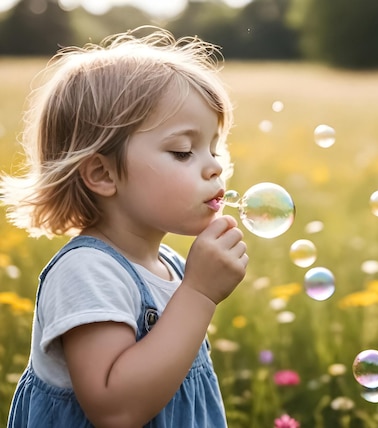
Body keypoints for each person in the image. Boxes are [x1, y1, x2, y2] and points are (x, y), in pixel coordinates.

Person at [0, 26, 248, 427]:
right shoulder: (87, 272)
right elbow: (115, 409)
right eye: (183, 151)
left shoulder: (168, 263)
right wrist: (200, 293)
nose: (215, 166)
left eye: (214, 148)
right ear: (102, 173)